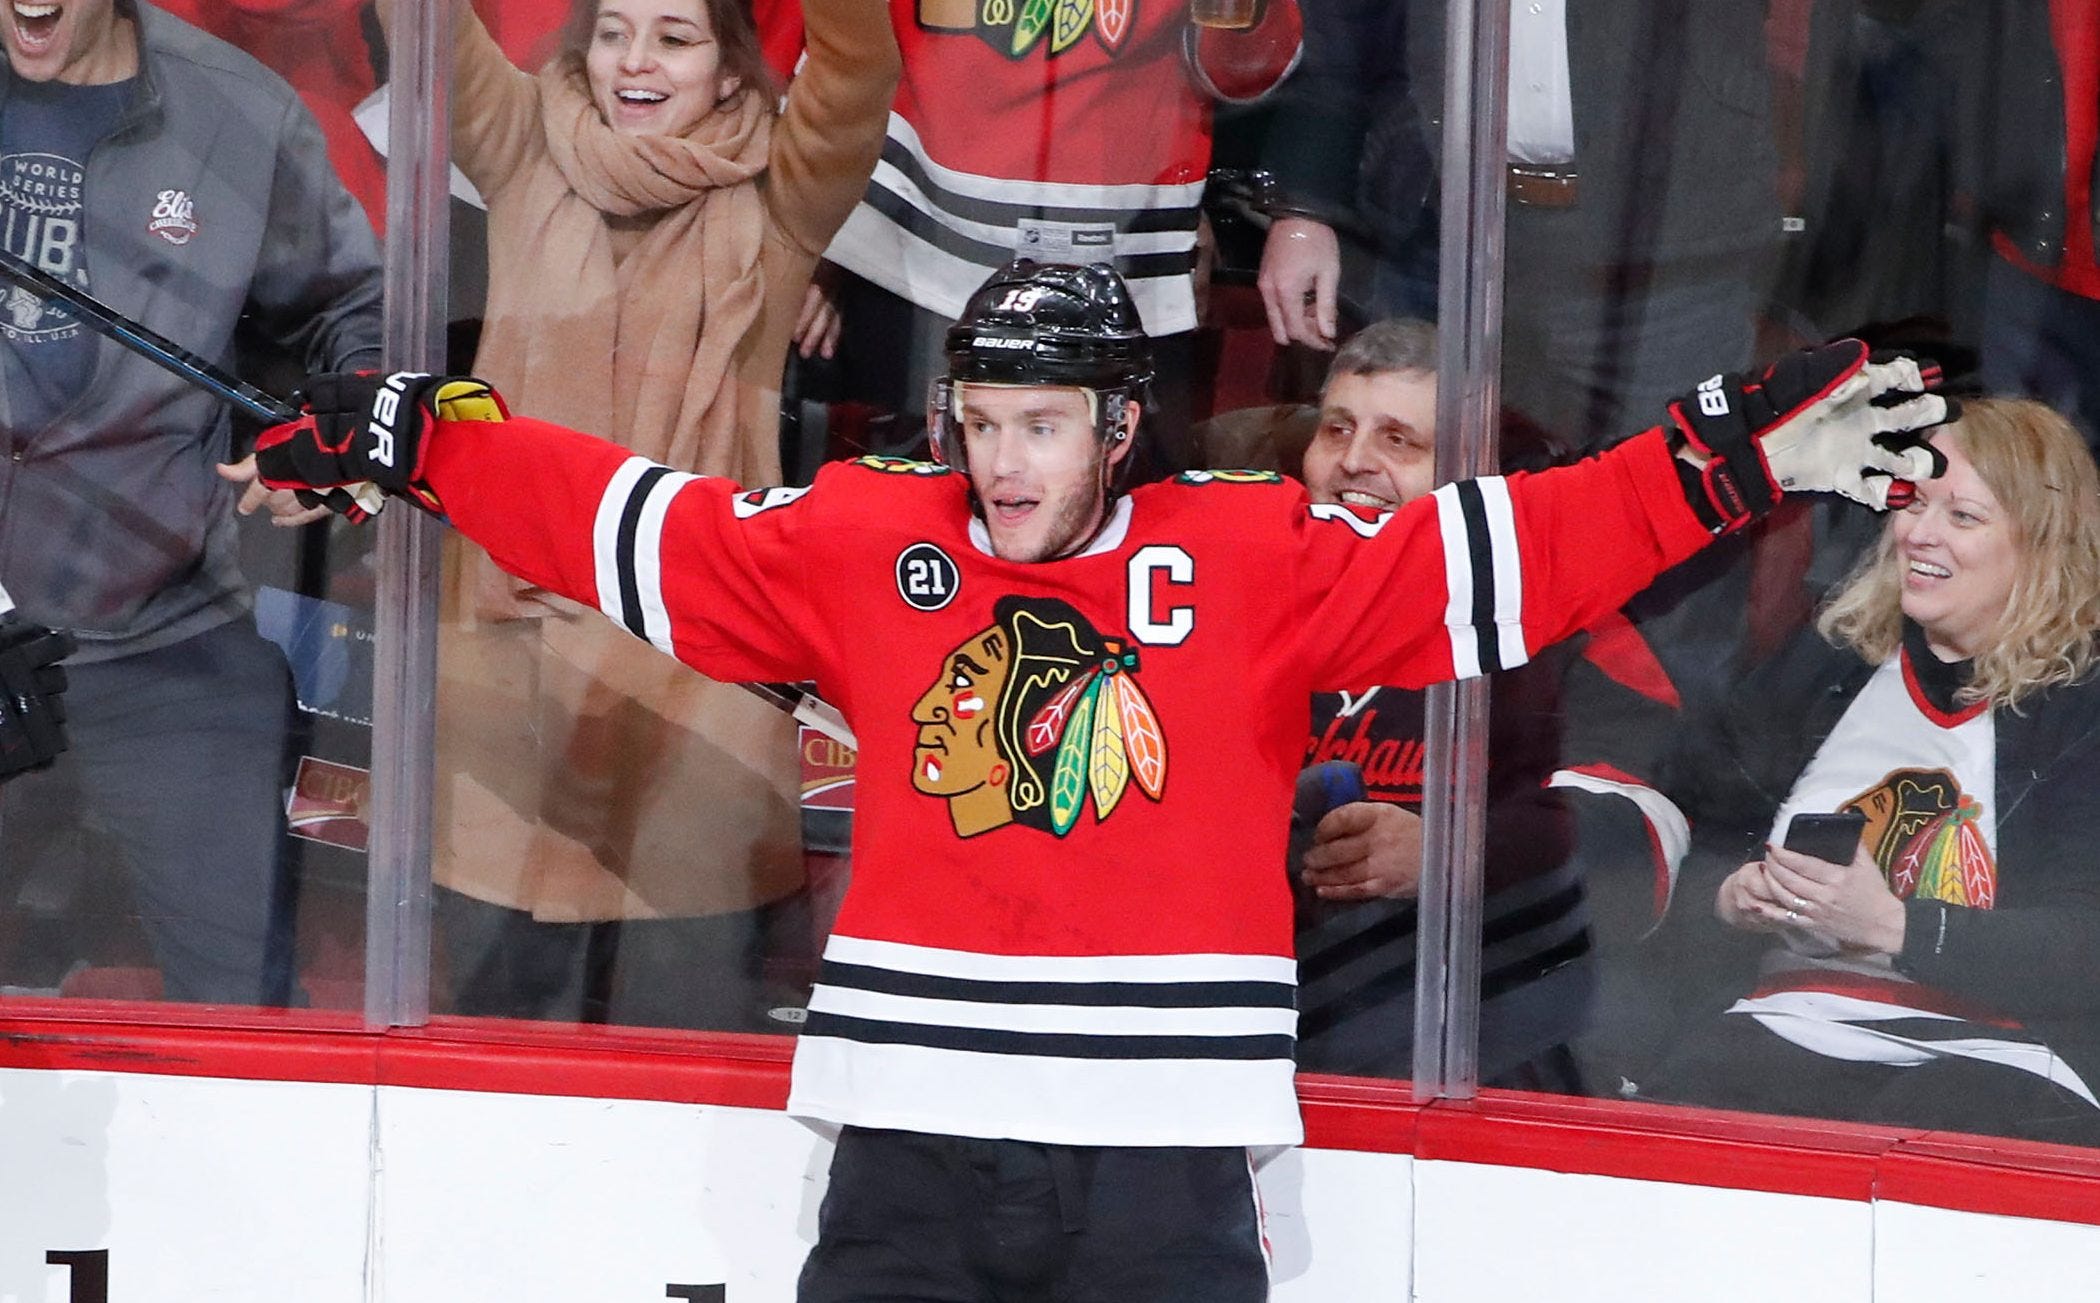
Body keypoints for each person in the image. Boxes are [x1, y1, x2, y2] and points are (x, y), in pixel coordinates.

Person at [252, 260, 1947, 1299]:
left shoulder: (1259, 554)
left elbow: (1501, 551)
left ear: (1120, 426)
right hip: (908, 1144)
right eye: (980, 418)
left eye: (1040, 425)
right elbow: (645, 526)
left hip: (1161, 1160)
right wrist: (425, 436)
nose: (1000, 461)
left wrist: (1717, 457)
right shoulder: (870, 537)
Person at [400, 0, 897, 1026]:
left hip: (697, 692)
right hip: (514, 693)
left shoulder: (784, 191)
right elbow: (427, 26)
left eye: (675, 38)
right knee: (497, 1065)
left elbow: (857, 70)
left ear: (731, 70)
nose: (637, 61)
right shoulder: (522, 141)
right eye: (617, 31)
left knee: (683, 1054)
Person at [0, 0, 383, 1004]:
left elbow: (351, 310)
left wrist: (338, 433)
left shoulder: (236, 113)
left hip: (166, 641)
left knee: (242, 1012)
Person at [1641, 398, 2100, 1146]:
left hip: (2004, 1053)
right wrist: (1731, 898)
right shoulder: (1824, 666)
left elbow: (2087, 950)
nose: (1918, 531)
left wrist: (1893, 926)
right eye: (1913, 499)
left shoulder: (2082, 710)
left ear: (2043, 543)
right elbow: (1682, 845)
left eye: (1963, 515)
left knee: (1927, 1137)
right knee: (1684, 1118)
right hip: (1786, 1022)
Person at [1288, 320, 1690, 1088]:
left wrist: (1447, 855)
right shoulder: (1238, 604)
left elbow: (1640, 839)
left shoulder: (1567, 625)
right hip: (1261, 1020)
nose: (1352, 462)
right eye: (1337, 428)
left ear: (1473, 474)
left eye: (1398, 440)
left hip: (1477, 1018)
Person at [1255, 0, 1780, 459]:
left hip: (1662, 240)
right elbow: (1341, 39)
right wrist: (1305, 207)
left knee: (1670, 500)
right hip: (1438, 229)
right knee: (1407, 503)